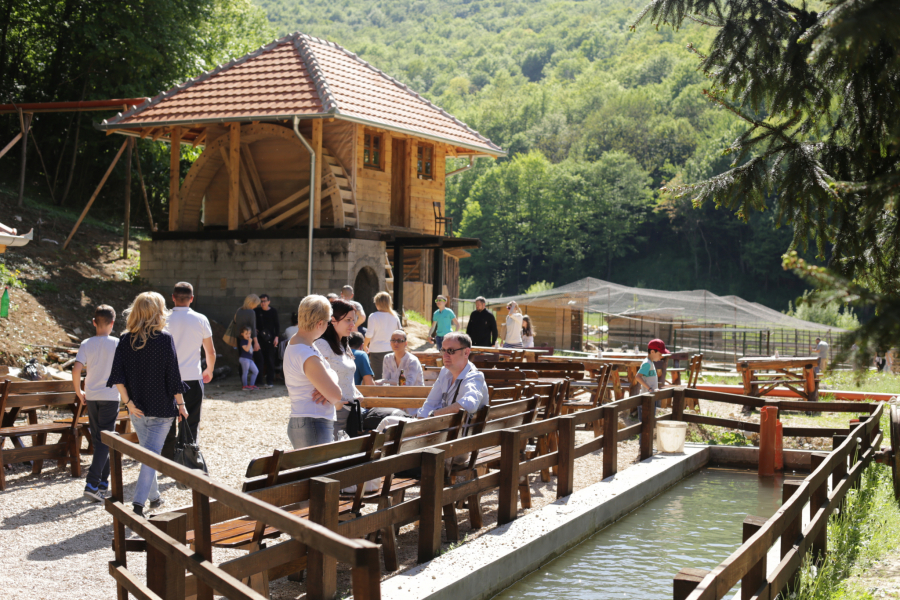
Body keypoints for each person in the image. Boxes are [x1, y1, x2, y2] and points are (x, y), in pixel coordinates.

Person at [106, 292, 188, 516]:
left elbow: (117, 377)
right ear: (158, 312)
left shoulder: (125, 340)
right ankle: (138, 505)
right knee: (150, 457)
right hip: (162, 409)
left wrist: (128, 403)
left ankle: (155, 497)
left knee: (147, 455)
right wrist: (181, 404)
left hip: (136, 409)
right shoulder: (165, 339)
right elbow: (173, 377)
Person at [161, 282, 214, 462]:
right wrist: (209, 370)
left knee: (167, 422)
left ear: (173, 298)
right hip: (192, 376)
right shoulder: (201, 319)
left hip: (166, 379)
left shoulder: (163, 319)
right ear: (192, 299)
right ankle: (187, 460)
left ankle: (167, 461)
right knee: (190, 422)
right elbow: (210, 351)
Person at [283, 295, 344, 449]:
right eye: (328, 322)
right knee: (319, 466)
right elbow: (336, 395)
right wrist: (328, 389)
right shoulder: (307, 353)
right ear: (320, 323)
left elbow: (331, 389)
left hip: (307, 421)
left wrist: (327, 388)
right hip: (314, 422)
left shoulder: (300, 343)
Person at [73, 305, 120, 502]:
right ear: (112, 323)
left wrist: (79, 391)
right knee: (105, 440)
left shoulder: (86, 343)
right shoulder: (117, 343)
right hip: (110, 396)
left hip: (91, 396)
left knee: (98, 439)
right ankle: (92, 484)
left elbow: (76, 370)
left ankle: (102, 482)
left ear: (94, 322)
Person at [314, 299, 362, 439]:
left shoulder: (343, 344)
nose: (352, 324)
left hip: (350, 410)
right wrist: (335, 402)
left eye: (353, 320)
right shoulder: (322, 344)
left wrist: (356, 393)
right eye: (348, 320)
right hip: (334, 412)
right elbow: (314, 377)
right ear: (333, 320)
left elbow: (345, 375)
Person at [417, 332, 488, 419]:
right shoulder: (445, 372)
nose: (445, 356)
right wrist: (419, 423)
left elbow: (470, 404)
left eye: (451, 351)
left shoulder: (474, 376)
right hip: (443, 426)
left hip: (457, 427)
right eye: (443, 350)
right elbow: (430, 404)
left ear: (466, 352)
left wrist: (435, 414)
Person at [363, 291, 402, 379]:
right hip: (392, 349)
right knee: (392, 377)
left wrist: (365, 345)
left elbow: (369, 334)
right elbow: (400, 333)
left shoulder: (373, 316)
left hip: (376, 351)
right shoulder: (395, 316)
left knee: (378, 378)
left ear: (377, 303)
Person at [635, 339, 669, 421]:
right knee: (645, 424)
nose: (661, 357)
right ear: (652, 352)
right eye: (660, 354)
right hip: (645, 399)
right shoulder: (647, 363)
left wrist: (654, 389)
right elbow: (638, 377)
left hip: (650, 398)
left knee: (649, 422)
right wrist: (649, 388)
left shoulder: (651, 362)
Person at [254, 293, 280, 388]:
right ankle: (259, 380)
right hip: (259, 339)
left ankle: (270, 381)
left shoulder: (273, 311)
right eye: (261, 301)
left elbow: (277, 325)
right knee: (259, 360)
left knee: (270, 360)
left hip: (270, 339)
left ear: (269, 302)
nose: (263, 303)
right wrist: (254, 329)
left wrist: (276, 337)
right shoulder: (256, 311)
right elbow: (252, 322)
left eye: (265, 301)